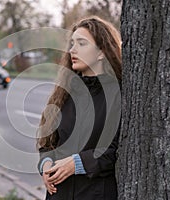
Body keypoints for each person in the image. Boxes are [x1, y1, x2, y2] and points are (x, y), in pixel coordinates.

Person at [36, 16, 122, 200]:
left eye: (81, 43)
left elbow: (116, 150)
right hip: (59, 193)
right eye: (72, 43)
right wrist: (46, 164)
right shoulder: (64, 92)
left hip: (97, 193)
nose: (72, 50)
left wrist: (77, 163)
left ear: (101, 51)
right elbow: (48, 142)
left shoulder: (118, 94)